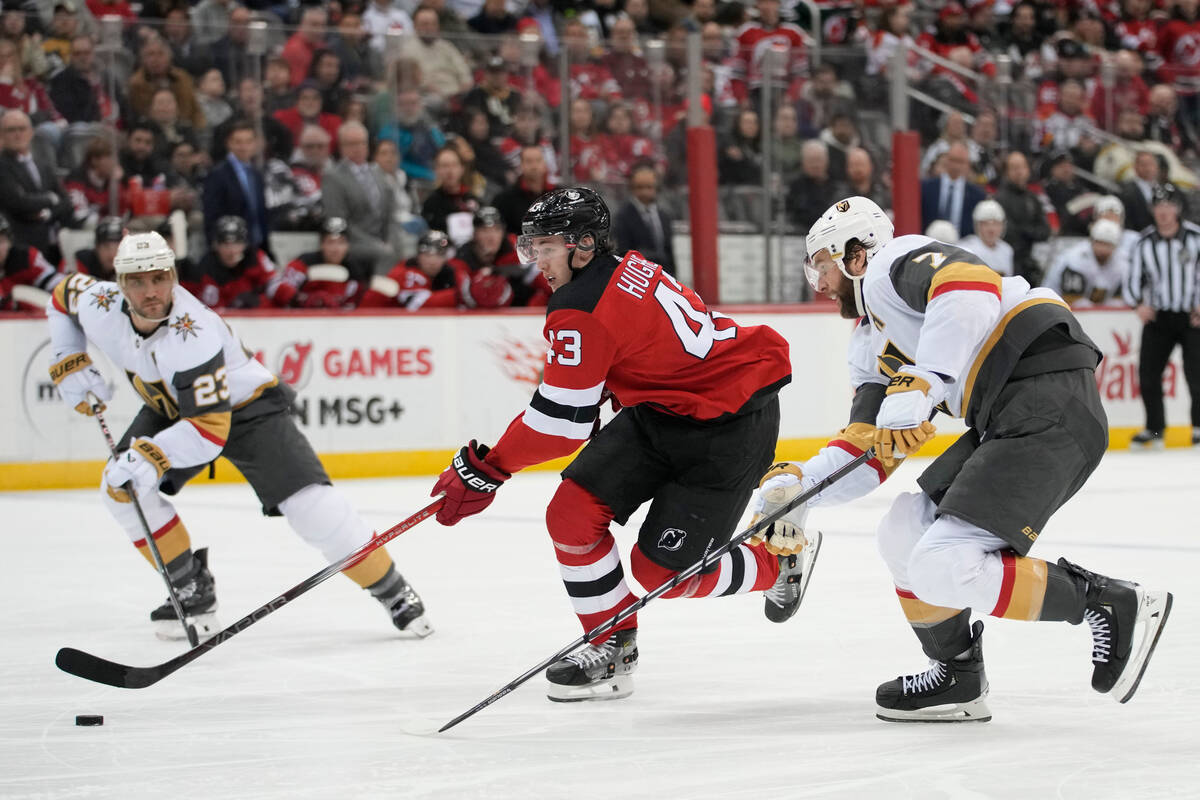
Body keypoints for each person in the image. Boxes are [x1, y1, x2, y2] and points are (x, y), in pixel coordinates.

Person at [789, 194, 1172, 722]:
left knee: (941, 562)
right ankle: (959, 675)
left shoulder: (888, 266)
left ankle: (1104, 601)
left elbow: (970, 287)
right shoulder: (871, 340)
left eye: (823, 268)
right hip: (1008, 410)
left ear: (855, 254)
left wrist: (928, 380)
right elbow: (867, 450)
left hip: (1044, 392)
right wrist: (795, 491)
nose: (821, 286)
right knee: (903, 532)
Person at [428, 187, 801, 702]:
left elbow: (559, 426)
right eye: (531, 247)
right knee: (571, 514)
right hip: (662, 411)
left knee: (662, 574)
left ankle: (776, 563)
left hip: (728, 424)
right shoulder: (614, 269)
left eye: (546, 247)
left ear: (583, 244)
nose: (536, 259)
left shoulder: (582, 305)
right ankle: (610, 644)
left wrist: (488, 468)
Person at [44, 231, 431, 640]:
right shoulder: (100, 303)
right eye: (137, 282)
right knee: (119, 486)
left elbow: (210, 431)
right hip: (173, 408)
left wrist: (150, 453)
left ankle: (392, 590)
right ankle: (190, 587)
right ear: (119, 284)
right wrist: (67, 356)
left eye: (159, 278)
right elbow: (62, 295)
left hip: (246, 412)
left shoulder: (192, 333)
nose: (151, 291)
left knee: (312, 508)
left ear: (173, 276)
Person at [1123, 183, 1200, 448]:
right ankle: (1155, 429)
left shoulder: (1195, 237)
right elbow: (1132, 278)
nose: (1163, 211)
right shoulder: (1143, 242)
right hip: (1159, 317)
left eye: (1168, 205)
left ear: (1177, 208)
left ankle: (1199, 427)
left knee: (1197, 373)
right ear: (1153, 210)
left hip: (1192, 317)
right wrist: (1137, 305)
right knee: (1148, 374)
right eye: (1158, 206)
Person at [323, 120, 399, 275]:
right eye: (351, 144)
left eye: (361, 143)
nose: (357, 148)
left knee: (406, 248)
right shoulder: (334, 177)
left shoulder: (377, 173)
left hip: (381, 238)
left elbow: (390, 214)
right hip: (352, 242)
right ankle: (378, 295)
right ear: (341, 147)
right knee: (385, 255)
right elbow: (339, 221)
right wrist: (376, 244)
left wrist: (390, 240)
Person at [0, 109, 74, 264]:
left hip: (51, 243)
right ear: (2, 135)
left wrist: (47, 214)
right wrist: (50, 198)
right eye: (11, 130)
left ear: (31, 132)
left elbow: (65, 201)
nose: (17, 134)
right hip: (20, 245)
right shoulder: (3, 165)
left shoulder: (42, 164)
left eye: (22, 129)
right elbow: (18, 202)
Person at [203, 119, 269, 251]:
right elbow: (211, 215)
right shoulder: (218, 174)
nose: (244, 147)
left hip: (257, 245)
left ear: (255, 144)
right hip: (230, 247)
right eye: (238, 142)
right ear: (229, 143)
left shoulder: (256, 174)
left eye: (248, 141)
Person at [360, 228, 465, 309]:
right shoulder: (405, 273)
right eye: (427, 255)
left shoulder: (451, 271)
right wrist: (461, 294)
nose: (433, 261)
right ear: (418, 256)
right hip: (371, 322)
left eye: (439, 255)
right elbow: (418, 304)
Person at [276, 216, 369, 308]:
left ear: (348, 246)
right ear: (321, 244)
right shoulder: (303, 263)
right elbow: (282, 290)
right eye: (330, 242)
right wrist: (304, 299)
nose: (336, 249)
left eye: (341, 242)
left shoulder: (355, 271)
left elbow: (357, 305)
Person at [194, 215, 281, 309]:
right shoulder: (207, 268)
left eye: (237, 243)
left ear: (245, 244)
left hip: (259, 319)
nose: (232, 251)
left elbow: (275, 285)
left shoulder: (256, 258)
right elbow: (209, 311)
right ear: (216, 245)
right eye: (226, 244)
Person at [1043, 219, 1129, 308]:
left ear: (1116, 246)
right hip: (1055, 304)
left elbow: (1120, 300)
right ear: (1092, 241)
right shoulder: (1074, 259)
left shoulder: (1123, 261)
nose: (1103, 249)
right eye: (1100, 242)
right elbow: (1072, 300)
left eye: (1108, 244)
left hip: (1099, 310)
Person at [612, 162, 675, 275]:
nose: (645, 192)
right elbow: (623, 252)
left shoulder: (663, 216)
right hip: (638, 276)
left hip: (663, 276)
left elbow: (669, 253)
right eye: (640, 187)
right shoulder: (623, 217)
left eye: (649, 187)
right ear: (632, 189)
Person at [920, 142, 985, 239]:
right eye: (953, 160)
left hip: (962, 245)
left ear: (967, 164)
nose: (956, 166)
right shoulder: (926, 188)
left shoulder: (977, 195)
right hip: (930, 242)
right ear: (946, 160)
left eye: (961, 161)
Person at [0, 213, 62, 310]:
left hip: (27, 321)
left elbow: (59, 286)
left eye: (1, 241)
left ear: (10, 242)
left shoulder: (26, 258)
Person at [958, 199, 1014, 276]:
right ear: (977, 226)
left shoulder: (1007, 250)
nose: (991, 229)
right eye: (985, 224)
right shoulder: (966, 249)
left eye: (996, 224)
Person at [73, 216, 124, 280]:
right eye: (106, 246)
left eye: (118, 247)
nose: (112, 254)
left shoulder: (131, 265)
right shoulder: (81, 262)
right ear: (97, 247)